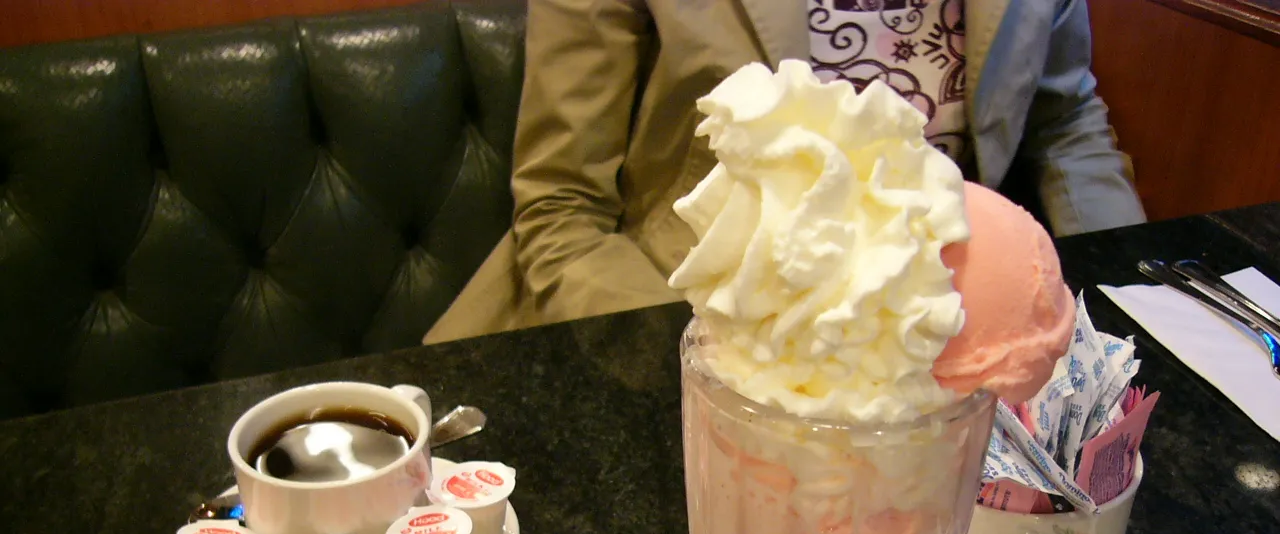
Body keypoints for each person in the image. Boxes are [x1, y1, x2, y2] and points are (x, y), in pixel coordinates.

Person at [425, 0, 1144, 344]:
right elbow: (562, 206)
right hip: (696, 323)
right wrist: (692, 367)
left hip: (936, 334)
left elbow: (1066, 125)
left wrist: (1129, 304)